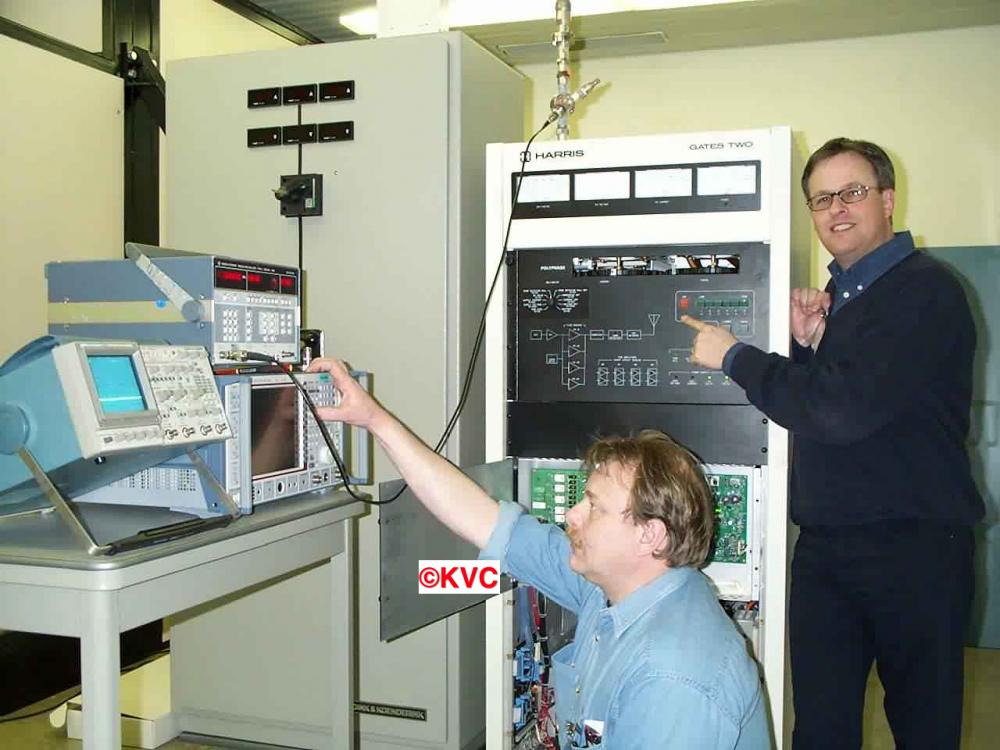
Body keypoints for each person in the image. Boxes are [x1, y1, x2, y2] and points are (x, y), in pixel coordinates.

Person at [681, 137, 983, 749]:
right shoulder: (843, 301)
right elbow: (831, 408)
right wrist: (808, 344)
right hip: (827, 551)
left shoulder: (925, 290)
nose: (837, 209)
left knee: (924, 728)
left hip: (914, 551)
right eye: (822, 199)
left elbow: (841, 412)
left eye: (853, 192)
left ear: (888, 199)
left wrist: (735, 356)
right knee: (820, 729)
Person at [308, 357, 770, 749]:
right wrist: (374, 419)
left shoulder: (672, 678)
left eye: (594, 506)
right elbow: (479, 516)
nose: (572, 514)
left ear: (650, 536)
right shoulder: (614, 591)